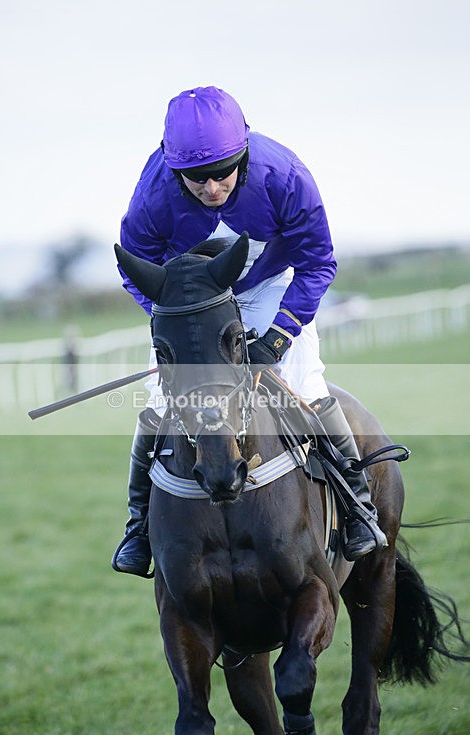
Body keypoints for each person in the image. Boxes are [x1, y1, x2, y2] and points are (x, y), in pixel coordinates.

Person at [112, 85, 387, 577]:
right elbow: (138, 272)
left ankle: (359, 505)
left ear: (243, 152)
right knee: (157, 400)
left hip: (268, 289)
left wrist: (278, 337)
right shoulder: (151, 198)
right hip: (193, 303)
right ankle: (136, 526)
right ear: (174, 170)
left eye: (223, 173)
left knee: (303, 386)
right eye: (196, 180)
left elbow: (318, 263)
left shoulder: (285, 176)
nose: (212, 188)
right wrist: (180, 328)